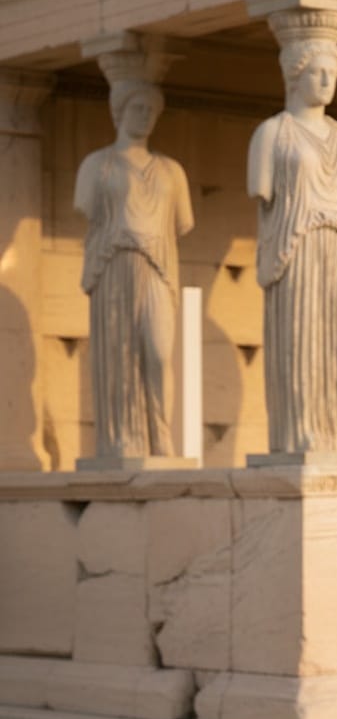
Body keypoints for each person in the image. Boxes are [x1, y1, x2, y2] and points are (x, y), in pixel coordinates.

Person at [247, 27, 337, 453]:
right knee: (302, 342)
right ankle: (303, 432)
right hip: (295, 249)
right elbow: (262, 191)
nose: (327, 80)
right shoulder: (271, 134)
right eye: (318, 71)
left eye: (332, 72)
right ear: (295, 75)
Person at [74, 79, 193, 459]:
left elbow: (182, 222)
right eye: (137, 108)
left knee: (159, 352)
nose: (144, 116)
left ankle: (162, 436)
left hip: (158, 267)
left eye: (151, 110)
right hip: (114, 266)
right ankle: (123, 439)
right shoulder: (97, 166)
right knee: (119, 354)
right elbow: (86, 208)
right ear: (119, 111)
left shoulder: (171, 171)